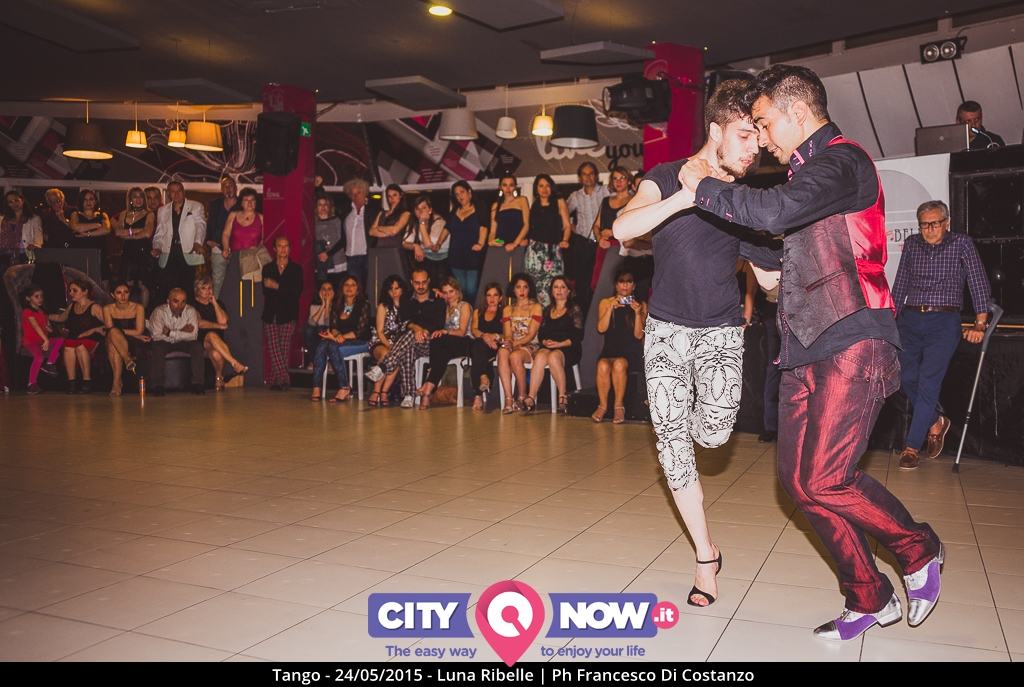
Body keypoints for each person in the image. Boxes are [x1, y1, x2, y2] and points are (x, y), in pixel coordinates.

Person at [677, 65, 943, 638]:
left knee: (826, 477)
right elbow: (780, 250)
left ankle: (918, 547)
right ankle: (869, 597)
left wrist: (702, 184)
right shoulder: (807, 181)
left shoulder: (842, 162)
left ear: (798, 113)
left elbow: (773, 212)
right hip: (803, 347)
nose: (762, 137)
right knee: (800, 483)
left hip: (853, 335)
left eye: (765, 122)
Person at [612, 79, 785, 608]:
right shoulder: (666, 177)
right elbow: (623, 229)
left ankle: (679, 432)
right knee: (672, 447)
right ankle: (705, 556)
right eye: (744, 137)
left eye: (758, 139)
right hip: (665, 329)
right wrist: (686, 197)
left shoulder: (743, 199)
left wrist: (783, 256)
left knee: (712, 435)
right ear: (715, 130)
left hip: (720, 333)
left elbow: (771, 282)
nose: (754, 150)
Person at [891, 200, 992, 470]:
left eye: (934, 224)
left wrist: (980, 323)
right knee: (904, 377)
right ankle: (935, 420)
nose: (929, 229)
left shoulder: (961, 243)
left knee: (928, 381)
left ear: (946, 223)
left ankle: (912, 447)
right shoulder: (912, 244)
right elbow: (900, 285)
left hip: (944, 321)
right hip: (911, 319)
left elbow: (977, 281)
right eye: (924, 225)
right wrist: (888, 322)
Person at [365, 268, 445, 408]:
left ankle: (384, 367)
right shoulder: (406, 299)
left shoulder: (438, 300)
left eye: (423, 282)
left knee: (408, 337)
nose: (421, 286)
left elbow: (437, 324)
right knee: (408, 346)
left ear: (429, 281)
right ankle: (408, 395)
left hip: (431, 343)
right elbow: (406, 321)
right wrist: (416, 328)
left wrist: (423, 331)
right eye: (417, 283)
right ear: (411, 282)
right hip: (411, 341)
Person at [523, 276, 583, 414]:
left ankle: (562, 396)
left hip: (568, 347)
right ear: (551, 291)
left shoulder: (574, 309)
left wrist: (560, 344)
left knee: (554, 357)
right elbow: (542, 334)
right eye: (556, 287)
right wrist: (544, 341)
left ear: (568, 291)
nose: (559, 290)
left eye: (563, 287)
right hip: (549, 346)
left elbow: (578, 336)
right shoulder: (547, 310)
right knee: (540, 356)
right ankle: (531, 397)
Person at [593, 269, 646, 424]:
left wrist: (638, 313)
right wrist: (610, 308)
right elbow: (601, 329)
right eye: (621, 282)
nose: (625, 285)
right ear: (616, 285)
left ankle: (618, 406)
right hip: (610, 350)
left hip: (630, 352)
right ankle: (602, 406)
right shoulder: (606, 302)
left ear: (633, 286)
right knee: (602, 365)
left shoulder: (640, 304)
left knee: (619, 364)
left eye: (629, 282)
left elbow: (639, 336)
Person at [310, 274, 371, 403]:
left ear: (358, 289)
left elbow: (360, 331)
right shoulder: (337, 305)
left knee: (331, 346)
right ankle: (317, 386)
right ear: (342, 288)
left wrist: (341, 337)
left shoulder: (364, 305)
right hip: (339, 340)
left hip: (359, 341)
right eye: (346, 285)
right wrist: (337, 335)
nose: (349, 287)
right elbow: (334, 327)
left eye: (353, 285)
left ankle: (344, 387)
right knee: (322, 344)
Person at [416, 277, 472, 410]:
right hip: (448, 345)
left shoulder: (464, 306)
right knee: (439, 346)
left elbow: (462, 332)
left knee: (439, 339)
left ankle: (429, 382)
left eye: (451, 291)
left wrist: (445, 331)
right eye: (445, 292)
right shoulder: (444, 307)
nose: (449, 295)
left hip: (465, 342)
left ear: (457, 291)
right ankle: (429, 389)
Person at [152, 181, 206, 304]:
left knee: (189, 291)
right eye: (172, 191)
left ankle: (189, 315)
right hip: (168, 255)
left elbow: (201, 226)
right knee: (168, 291)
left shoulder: (196, 206)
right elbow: (159, 233)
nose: (176, 194)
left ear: (183, 191)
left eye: (179, 190)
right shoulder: (162, 210)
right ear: (168, 194)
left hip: (188, 253)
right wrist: (157, 247)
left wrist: (197, 242)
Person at [496, 273, 542, 414]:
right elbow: (508, 334)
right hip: (514, 344)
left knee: (515, 356)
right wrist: (509, 342)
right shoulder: (508, 309)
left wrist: (515, 343)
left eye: (525, 287)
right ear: (513, 289)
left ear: (529, 289)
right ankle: (508, 399)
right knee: (502, 352)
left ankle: (522, 396)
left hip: (530, 345)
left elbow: (531, 335)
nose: (521, 291)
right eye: (518, 287)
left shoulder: (536, 307)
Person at [566, 162, 608, 317]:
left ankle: (601, 315)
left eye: (591, 173)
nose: (588, 177)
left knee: (602, 281)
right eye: (584, 174)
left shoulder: (605, 191)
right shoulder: (575, 196)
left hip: (603, 243)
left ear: (596, 176)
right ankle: (584, 318)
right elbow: (563, 214)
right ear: (580, 177)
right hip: (583, 244)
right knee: (582, 283)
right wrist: (573, 227)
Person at [262, 237, 303, 391]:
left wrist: (277, 286)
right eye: (280, 246)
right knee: (274, 347)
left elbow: (296, 292)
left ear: (290, 249)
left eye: (286, 246)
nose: (283, 249)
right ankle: (284, 378)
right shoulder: (267, 268)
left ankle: (276, 380)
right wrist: (284, 289)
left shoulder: (296, 269)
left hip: (288, 313)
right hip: (270, 313)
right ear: (275, 249)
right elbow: (266, 291)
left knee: (283, 348)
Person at [49, 279, 105, 394]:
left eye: (74, 290)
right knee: (68, 347)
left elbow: (109, 323)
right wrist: (44, 316)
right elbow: (60, 318)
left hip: (91, 339)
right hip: (75, 339)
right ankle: (72, 383)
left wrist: (94, 329)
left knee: (80, 346)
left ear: (85, 291)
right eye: (70, 290)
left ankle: (87, 382)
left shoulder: (94, 307)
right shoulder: (72, 306)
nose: (71, 293)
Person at [147, 287, 205, 396]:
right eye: (176, 301)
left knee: (197, 346)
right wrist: (182, 331)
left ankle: (198, 384)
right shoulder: (159, 312)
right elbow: (156, 335)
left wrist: (170, 333)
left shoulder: (190, 311)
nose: (180, 305)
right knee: (158, 347)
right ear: (168, 301)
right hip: (164, 342)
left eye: (183, 302)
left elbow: (193, 335)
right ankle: (157, 386)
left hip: (183, 342)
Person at [193, 276, 248, 392]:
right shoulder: (193, 305)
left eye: (210, 288)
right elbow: (199, 323)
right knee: (211, 335)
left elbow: (223, 321)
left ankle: (218, 377)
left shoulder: (218, 303)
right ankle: (234, 363)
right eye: (204, 288)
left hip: (217, 342)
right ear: (197, 290)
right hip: (201, 340)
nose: (208, 291)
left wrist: (214, 303)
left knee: (216, 354)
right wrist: (218, 326)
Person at [526, 174, 571, 307]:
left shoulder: (559, 202)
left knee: (555, 285)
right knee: (534, 285)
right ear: (536, 188)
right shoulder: (534, 205)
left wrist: (565, 240)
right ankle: (537, 316)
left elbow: (567, 226)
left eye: (547, 186)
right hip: (534, 251)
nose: (544, 189)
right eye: (541, 186)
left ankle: (553, 314)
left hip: (552, 251)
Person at [102, 281, 149, 396]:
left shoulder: (138, 307)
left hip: (134, 340)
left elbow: (139, 331)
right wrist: (121, 332)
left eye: (126, 292)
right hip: (115, 338)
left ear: (129, 293)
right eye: (119, 293)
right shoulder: (107, 308)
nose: (123, 296)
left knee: (114, 339)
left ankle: (116, 383)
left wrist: (123, 332)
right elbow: (109, 329)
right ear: (113, 295)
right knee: (113, 336)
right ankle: (127, 359)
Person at [591, 166, 633, 292]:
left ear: (628, 181)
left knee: (612, 284)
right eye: (615, 178)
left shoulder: (633, 201)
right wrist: (599, 239)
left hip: (621, 248)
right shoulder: (605, 201)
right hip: (603, 245)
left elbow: (635, 228)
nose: (618, 181)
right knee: (598, 284)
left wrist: (613, 233)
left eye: (622, 178)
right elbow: (596, 225)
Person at [368, 275, 408, 406]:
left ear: (402, 289)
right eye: (391, 289)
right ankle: (376, 391)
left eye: (397, 288)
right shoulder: (383, 306)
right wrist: (389, 345)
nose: (394, 292)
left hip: (399, 343)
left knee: (397, 356)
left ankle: (384, 391)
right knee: (387, 354)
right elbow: (379, 331)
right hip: (380, 340)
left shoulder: (407, 306)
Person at [111, 187, 155, 304]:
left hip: (143, 251)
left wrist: (128, 234)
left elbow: (147, 233)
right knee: (127, 285)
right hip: (127, 252)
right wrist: (138, 231)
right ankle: (127, 312)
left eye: (141, 196)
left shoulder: (149, 214)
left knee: (143, 285)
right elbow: (118, 232)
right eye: (135, 197)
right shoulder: (123, 214)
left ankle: (143, 313)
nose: (138, 199)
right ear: (130, 199)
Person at [446, 181, 487, 304]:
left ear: (469, 192)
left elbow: (484, 227)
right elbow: (447, 228)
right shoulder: (455, 211)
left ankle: (473, 313)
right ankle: (462, 314)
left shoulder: (479, 208)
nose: (460, 196)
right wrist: (437, 243)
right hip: (456, 255)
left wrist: (480, 243)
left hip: (472, 254)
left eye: (462, 192)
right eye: (456, 194)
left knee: (472, 290)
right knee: (460, 290)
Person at [20, 284, 63, 395]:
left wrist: (49, 328)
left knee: (60, 340)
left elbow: (45, 327)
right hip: (31, 342)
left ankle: (49, 364)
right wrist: (46, 340)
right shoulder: (27, 311)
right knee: (39, 358)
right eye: (36, 296)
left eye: (41, 296)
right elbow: (35, 326)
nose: (40, 299)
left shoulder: (41, 311)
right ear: (28, 298)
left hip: (42, 341)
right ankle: (31, 384)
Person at [469, 282, 504, 411]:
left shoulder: (505, 312)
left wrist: (494, 336)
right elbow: (474, 330)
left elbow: (507, 333)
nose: (492, 298)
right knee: (479, 346)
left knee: (478, 353)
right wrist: (485, 336)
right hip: (481, 345)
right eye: (489, 295)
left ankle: (478, 395)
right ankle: (484, 377)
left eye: (495, 295)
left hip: (496, 345)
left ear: (500, 297)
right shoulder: (478, 312)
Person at [488, 173, 530, 276]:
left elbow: (526, 225)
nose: (508, 188)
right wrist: (491, 241)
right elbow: (493, 231)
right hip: (501, 243)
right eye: (504, 185)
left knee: (518, 277)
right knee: (500, 277)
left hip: (517, 244)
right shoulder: (495, 205)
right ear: (500, 187)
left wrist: (515, 243)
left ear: (515, 186)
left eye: (511, 185)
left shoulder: (522, 200)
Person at [206, 176, 238, 296]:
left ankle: (235, 306)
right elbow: (210, 223)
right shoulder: (215, 204)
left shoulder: (243, 204)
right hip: (217, 247)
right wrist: (209, 239)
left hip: (237, 249)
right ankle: (216, 306)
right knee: (217, 281)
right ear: (221, 189)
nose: (228, 188)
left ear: (236, 188)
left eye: (231, 185)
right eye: (225, 186)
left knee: (236, 280)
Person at [69, 189, 111, 278]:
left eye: (91, 199)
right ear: (81, 201)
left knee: (103, 282)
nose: (88, 202)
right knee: (81, 282)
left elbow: (106, 229)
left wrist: (87, 234)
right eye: (85, 199)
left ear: (95, 201)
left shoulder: (102, 214)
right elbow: (75, 227)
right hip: (81, 255)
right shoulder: (75, 214)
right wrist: (97, 225)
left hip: (99, 255)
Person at [342, 178, 375, 290]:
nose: (355, 196)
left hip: (367, 256)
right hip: (351, 257)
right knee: (354, 289)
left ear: (365, 193)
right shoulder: (346, 211)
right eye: (352, 193)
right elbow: (343, 236)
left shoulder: (372, 210)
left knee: (369, 287)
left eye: (358, 193)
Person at [412, 196, 449, 287]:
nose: (420, 211)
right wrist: (415, 246)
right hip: (427, 259)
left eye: (424, 208)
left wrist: (422, 222)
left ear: (430, 210)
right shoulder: (414, 223)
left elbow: (429, 245)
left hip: (442, 260)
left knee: (440, 287)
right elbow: (405, 242)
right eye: (417, 209)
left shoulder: (439, 222)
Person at [220, 187, 263, 260]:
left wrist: (258, 249)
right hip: (235, 257)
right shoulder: (233, 215)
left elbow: (265, 239)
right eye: (246, 200)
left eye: (252, 200)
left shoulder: (261, 218)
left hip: (253, 258)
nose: (249, 203)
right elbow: (226, 234)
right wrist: (226, 248)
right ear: (241, 203)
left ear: (256, 202)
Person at [1, 191, 43, 266]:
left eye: (16, 200)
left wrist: (34, 245)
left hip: (23, 255)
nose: (14, 203)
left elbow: (38, 239)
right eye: (10, 202)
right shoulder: (3, 219)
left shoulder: (34, 219)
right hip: (3, 254)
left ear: (22, 200)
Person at [315, 195, 346, 285]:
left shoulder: (336, 220)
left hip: (337, 261)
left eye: (325, 204)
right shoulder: (313, 222)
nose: (323, 207)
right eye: (320, 205)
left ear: (329, 207)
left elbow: (343, 241)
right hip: (321, 263)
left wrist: (328, 253)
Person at [369, 183, 411, 250]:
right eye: (389, 196)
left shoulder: (405, 213)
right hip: (379, 249)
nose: (392, 198)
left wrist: (378, 228)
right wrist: (387, 232)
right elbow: (371, 232)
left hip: (395, 250)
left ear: (400, 195)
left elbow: (394, 231)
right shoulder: (381, 213)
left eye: (394, 195)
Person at [306, 281, 335, 367]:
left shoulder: (338, 306)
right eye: (324, 289)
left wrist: (328, 304)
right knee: (309, 330)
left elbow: (327, 323)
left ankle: (328, 362)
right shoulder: (314, 306)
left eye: (329, 289)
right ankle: (314, 361)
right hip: (317, 334)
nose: (326, 292)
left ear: (333, 292)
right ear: (320, 292)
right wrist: (323, 305)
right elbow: (311, 323)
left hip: (332, 333)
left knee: (322, 328)